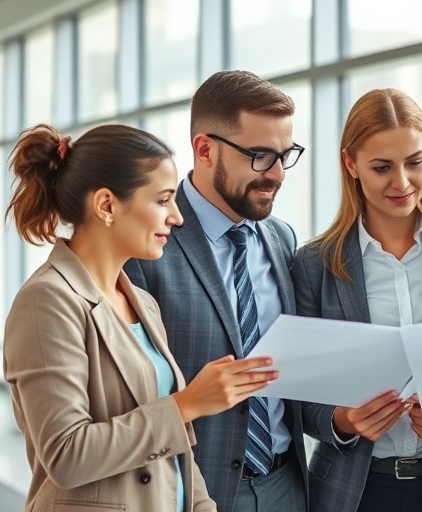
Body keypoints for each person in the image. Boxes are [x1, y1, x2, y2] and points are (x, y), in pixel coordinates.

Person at [4, 124, 278, 512]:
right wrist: (187, 404)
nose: (177, 217)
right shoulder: (47, 301)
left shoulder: (143, 303)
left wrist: (202, 505)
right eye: (163, 200)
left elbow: (174, 446)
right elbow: (66, 456)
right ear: (106, 205)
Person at [291, 88, 422, 512]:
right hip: (355, 492)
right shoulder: (314, 264)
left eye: (415, 162)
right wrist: (341, 421)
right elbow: (296, 392)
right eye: (381, 167)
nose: (402, 183)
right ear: (350, 163)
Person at [123, 70, 308, 512]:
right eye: (260, 156)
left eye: (286, 155)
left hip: (288, 484)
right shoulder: (146, 245)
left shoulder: (281, 238)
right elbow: (126, 397)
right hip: (193, 489)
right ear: (205, 150)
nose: (278, 174)